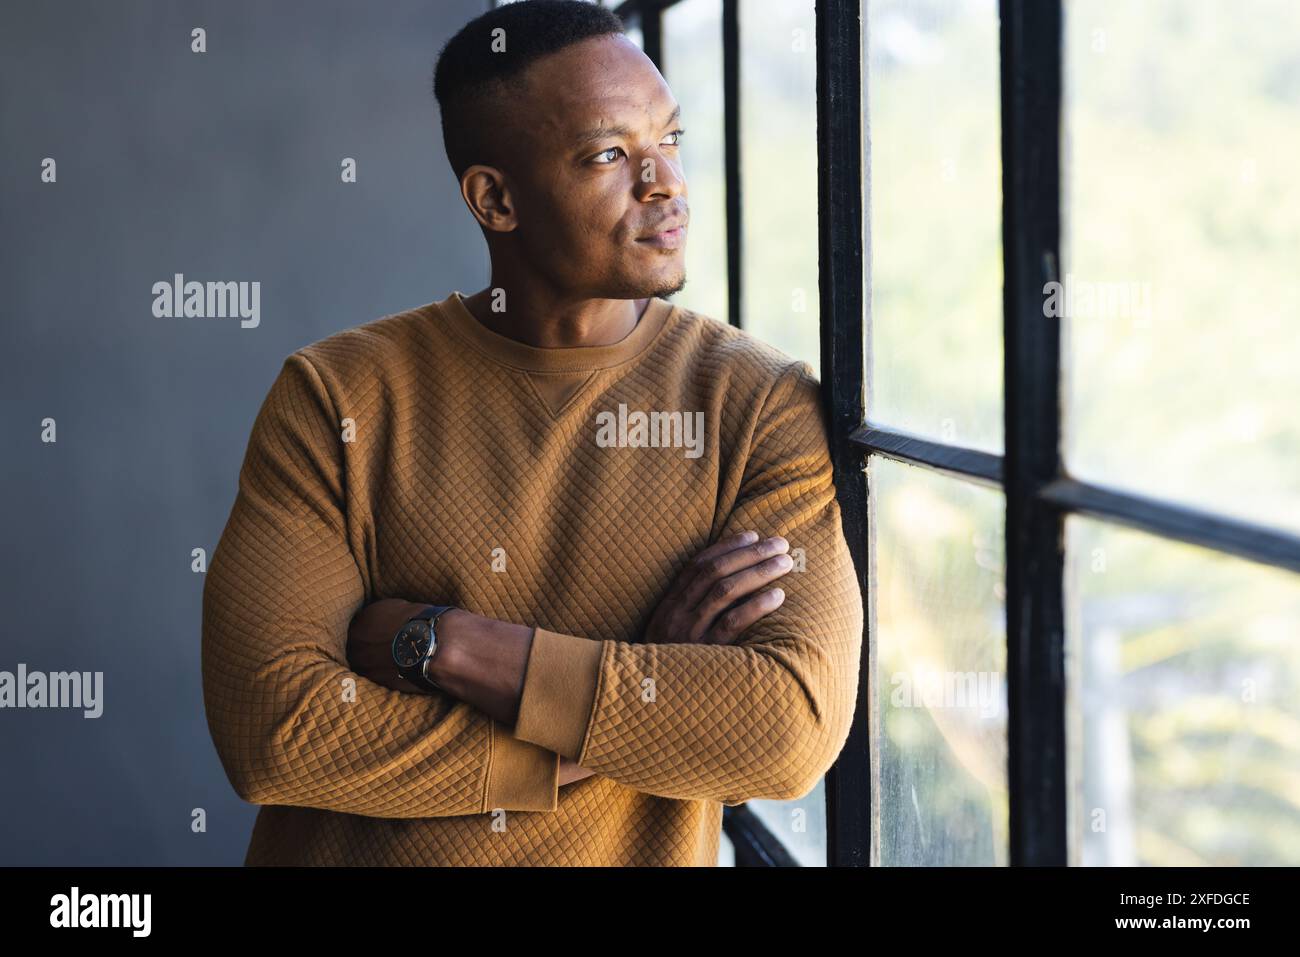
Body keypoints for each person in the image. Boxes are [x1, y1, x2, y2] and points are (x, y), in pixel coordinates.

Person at [201, 0, 862, 867]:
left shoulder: (757, 403)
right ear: (496, 198)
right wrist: (637, 689)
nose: (665, 182)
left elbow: (785, 730)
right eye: (608, 155)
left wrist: (447, 644)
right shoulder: (336, 394)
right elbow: (277, 734)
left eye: (671, 139)